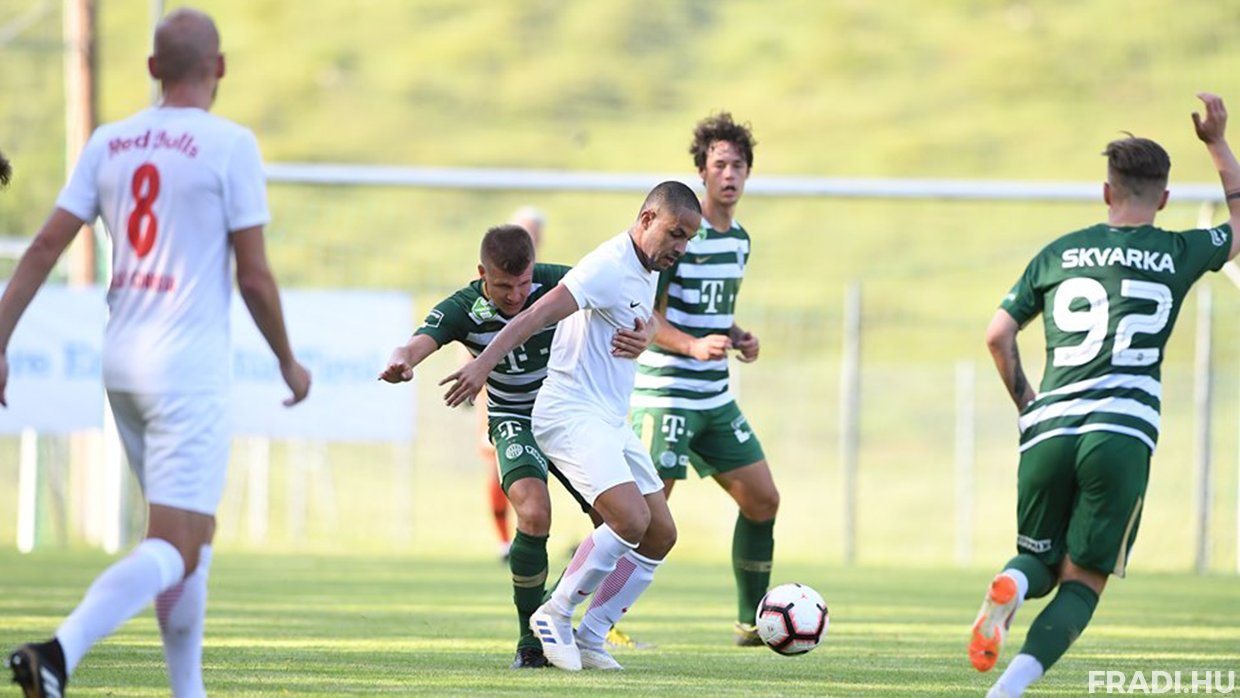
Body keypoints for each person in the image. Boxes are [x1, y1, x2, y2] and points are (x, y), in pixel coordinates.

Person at [1, 8, 311, 697]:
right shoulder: (230, 145)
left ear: (151, 70)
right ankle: (58, 653)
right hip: (185, 372)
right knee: (176, 541)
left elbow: (46, 246)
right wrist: (289, 363)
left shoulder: (109, 141)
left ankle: (186, 689)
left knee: (191, 534)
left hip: (122, 364)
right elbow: (255, 277)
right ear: (219, 67)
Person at [970, 92, 1239, 698]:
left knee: (1037, 561)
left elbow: (997, 334)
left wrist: (1030, 405)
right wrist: (1218, 142)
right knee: (1083, 581)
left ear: (1105, 191)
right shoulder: (1179, 251)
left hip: (1050, 427)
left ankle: (1012, 584)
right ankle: (1006, 690)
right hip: (1120, 433)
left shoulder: (1058, 252)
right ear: (1163, 199)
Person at [442, 181, 701, 671]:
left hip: (609, 418)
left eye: (688, 237)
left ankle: (591, 634)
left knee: (660, 533)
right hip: (570, 412)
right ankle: (553, 613)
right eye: (676, 233)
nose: (681, 247)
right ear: (647, 219)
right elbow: (536, 315)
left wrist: (647, 333)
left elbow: (640, 319)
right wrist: (481, 365)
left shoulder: (647, 267)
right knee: (629, 520)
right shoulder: (608, 265)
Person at [380, 223, 650, 669]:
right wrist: (401, 361)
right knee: (534, 512)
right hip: (514, 420)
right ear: (482, 274)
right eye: (504, 286)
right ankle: (530, 640)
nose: (516, 295)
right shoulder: (463, 307)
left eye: (523, 283)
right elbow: (417, 343)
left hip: (570, 415)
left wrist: (647, 334)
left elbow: (629, 303)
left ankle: (566, 617)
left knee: (619, 523)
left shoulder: (558, 280)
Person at [630, 112, 779, 646]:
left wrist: (738, 335)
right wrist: (692, 346)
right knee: (641, 517)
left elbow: (712, 313)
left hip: (714, 396)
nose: (729, 174)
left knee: (762, 500)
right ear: (702, 171)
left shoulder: (739, 240)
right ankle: (595, 617)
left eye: (738, 165)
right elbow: (647, 319)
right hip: (667, 393)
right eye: (719, 165)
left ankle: (752, 623)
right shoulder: (680, 235)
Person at [477, 206, 547, 562]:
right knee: (500, 466)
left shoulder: (547, 284)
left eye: (534, 233)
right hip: (500, 394)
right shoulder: (490, 287)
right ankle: (504, 541)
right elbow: (467, 335)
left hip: (546, 398)